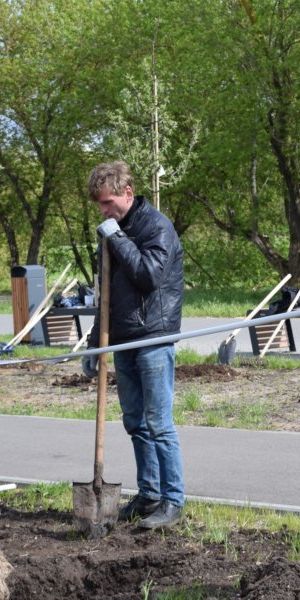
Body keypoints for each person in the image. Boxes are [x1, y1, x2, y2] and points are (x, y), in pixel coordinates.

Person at [81, 161, 186, 530]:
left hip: (154, 336)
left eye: (108, 203)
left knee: (159, 423)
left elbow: (148, 275)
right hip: (122, 339)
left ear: (128, 192)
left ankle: (173, 500)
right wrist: (94, 345)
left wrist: (117, 238)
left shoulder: (155, 226)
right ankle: (149, 494)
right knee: (136, 423)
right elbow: (104, 292)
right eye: (99, 206)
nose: (104, 211)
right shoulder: (112, 232)